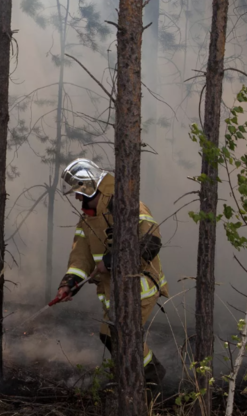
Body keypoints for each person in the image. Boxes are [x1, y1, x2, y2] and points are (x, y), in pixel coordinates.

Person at [55, 158, 167, 388]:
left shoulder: (126, 205)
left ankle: (149, 377)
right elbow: (81, 257)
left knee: (123, 335)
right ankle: (131, 378)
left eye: (78, 191)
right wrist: (70, 282)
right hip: (114, 291)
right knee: (110, 335)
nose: (76, 197)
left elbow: (151, 241)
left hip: (140, 287)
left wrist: (115, 260)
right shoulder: (87, 219)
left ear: (90, 187)